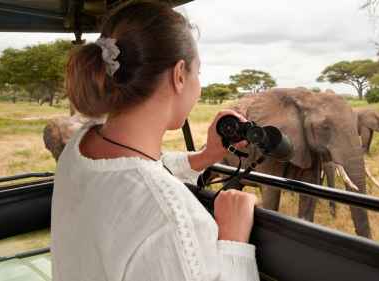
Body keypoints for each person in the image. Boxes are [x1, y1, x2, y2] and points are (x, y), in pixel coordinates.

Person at [50, 2, 259, 281]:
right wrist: (233, 242)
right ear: (179, 75)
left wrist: (205, 156)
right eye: (198, 73)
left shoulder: (80, 146)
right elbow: (144, 185)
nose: (198, 85)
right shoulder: (171, 220)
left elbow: (132, 172)